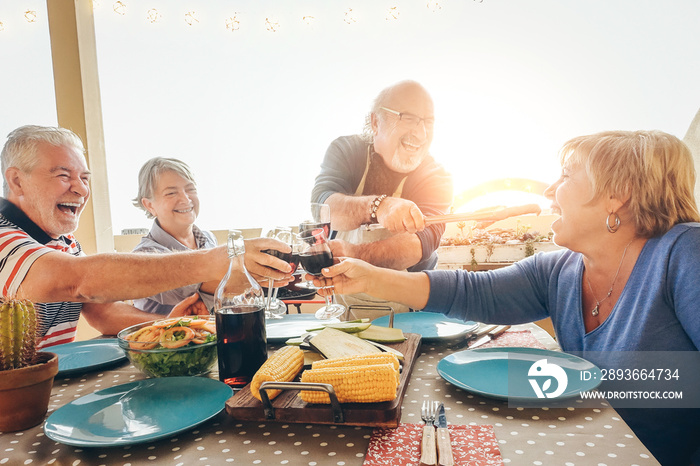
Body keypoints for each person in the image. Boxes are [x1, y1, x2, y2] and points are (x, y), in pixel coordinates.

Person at [313, 130, 700, 465]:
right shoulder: (560, 270)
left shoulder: (684, 254)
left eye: (566, 176)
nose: (550, 190)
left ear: (617, 195)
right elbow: (472, 291)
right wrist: (368, 278)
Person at [0, 125, 292, 349]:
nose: (81, 189)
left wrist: (171, 323)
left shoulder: (66, 243)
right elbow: (79, 281)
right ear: (17, 181)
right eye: (63, 176)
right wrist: (220, 260)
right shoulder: (3, 236)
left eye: (84, 178)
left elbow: (106, 313)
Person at [310, 80, 452, 316]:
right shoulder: (346, 151)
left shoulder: (436, 176)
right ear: (376, 121)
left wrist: (354, 255)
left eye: (428, 122)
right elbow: (323, 207)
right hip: (345, 309)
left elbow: (420, 244)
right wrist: (380, 207)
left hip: (414, 313)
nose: (420, 133)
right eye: (408, 117)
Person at [130, 157, 218, 314]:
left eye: (191, 189)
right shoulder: (145, 255)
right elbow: (217, 285)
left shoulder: (208, 239)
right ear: (149, 205)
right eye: (171, 193)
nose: (186, 199)